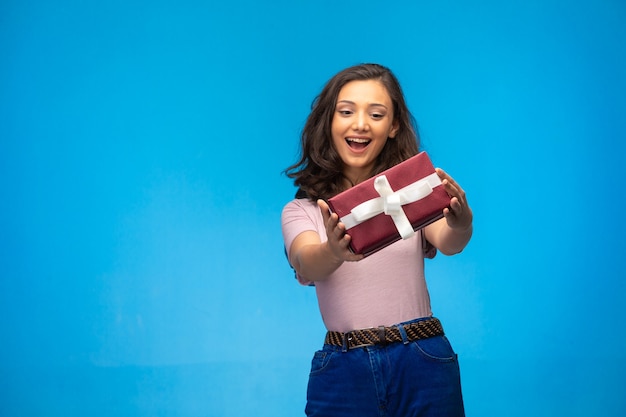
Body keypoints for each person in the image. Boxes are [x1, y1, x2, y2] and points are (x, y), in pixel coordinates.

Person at [281, 63, 473, 417]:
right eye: (346, 111)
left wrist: (461, 221)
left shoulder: (410, 193)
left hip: (422, 357)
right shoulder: (303, 210)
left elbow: (448, 241)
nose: (360, 123)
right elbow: (306, 261)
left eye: (376, 113)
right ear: (329, 121)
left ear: (394, 126)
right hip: (342, 368)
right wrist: (333, 250)